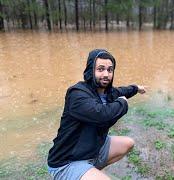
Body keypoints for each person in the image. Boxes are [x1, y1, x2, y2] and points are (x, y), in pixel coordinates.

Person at [47, 49, 146, 180]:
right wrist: (123, 103)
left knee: (128, 143)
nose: (106, 74)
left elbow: (122, 91)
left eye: (110, 70)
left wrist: (136, 88)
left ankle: (89, 171)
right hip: (67, 162)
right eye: (100, 69)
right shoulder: (77, 94)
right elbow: (101, 115)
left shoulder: (107, 92)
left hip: (92, 149)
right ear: (90, 71)